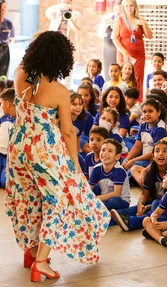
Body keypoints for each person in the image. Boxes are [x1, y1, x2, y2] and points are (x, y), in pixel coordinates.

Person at [5, 31, 110, 282]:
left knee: (27, 199)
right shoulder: (59, 90)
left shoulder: (20, 73)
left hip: (19, 147)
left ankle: (30, 251)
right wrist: (74, 162)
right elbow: (67, 131)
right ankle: (41, 262)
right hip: (45, 151)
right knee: (59, 201)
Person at [111, 140, 167, 231]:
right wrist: (141, 204)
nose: (160, 154)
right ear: (153, 156)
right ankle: (105, 218)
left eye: (165, 151)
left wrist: (148, 207)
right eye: (157, 151)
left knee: (154, 205)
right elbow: (145, 194)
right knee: (133, 209)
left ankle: (132, 222)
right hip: (153, 202)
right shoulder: (151, 173)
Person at [113, 0, 153, 101]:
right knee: (124, 77)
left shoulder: (140, 19)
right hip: (124, 54)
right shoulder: (119, 20)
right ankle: (122, 100)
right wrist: (124, 51)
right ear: (123, 7)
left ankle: (137, 101)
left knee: (138, 78)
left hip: (139, 55)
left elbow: (150, 36)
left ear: (135, 7)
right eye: (126, 6)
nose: (129, 8)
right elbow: (114, 38)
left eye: (131, 6)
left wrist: (144, 24)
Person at [97, 1, 121, 81]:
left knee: (120, 69)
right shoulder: (107, 17)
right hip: (108, 48)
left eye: (120, 9)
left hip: (120, 48)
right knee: (108, 68)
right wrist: (106, 26)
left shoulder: (126, 19)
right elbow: (100, 34)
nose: (118, 11)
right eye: (116, 9)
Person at [0, 88, 15, 188]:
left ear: (7, 103)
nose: (1, 106)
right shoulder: (3, 118)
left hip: (8, 157)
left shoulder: (17, 121)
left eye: (1, 103)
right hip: (0, 153)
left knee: (4, 182)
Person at [0, 1, 14, 77]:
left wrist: (8, 42)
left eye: (5, 9)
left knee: (3, 72)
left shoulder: (8, 23)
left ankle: (2, 87)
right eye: (2, 9)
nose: (4, 12)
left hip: (5, 48)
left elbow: (12, 38)